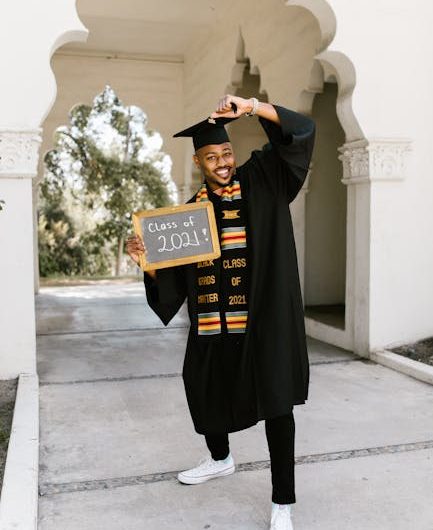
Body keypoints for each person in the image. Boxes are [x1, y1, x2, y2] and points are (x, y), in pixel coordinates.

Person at [126, 94, 315, 530]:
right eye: (211, 157)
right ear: (199, 162)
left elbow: (301, 132)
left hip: (263, 323)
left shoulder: (264, 180)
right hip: (214, 324)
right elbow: (173, 282)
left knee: (277, 406)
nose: (223, 162)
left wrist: (251, 107)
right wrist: (146, 262)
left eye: (227, 152)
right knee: (202, 386)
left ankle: (282, 502)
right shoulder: (189, 216)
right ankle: (220, 458)